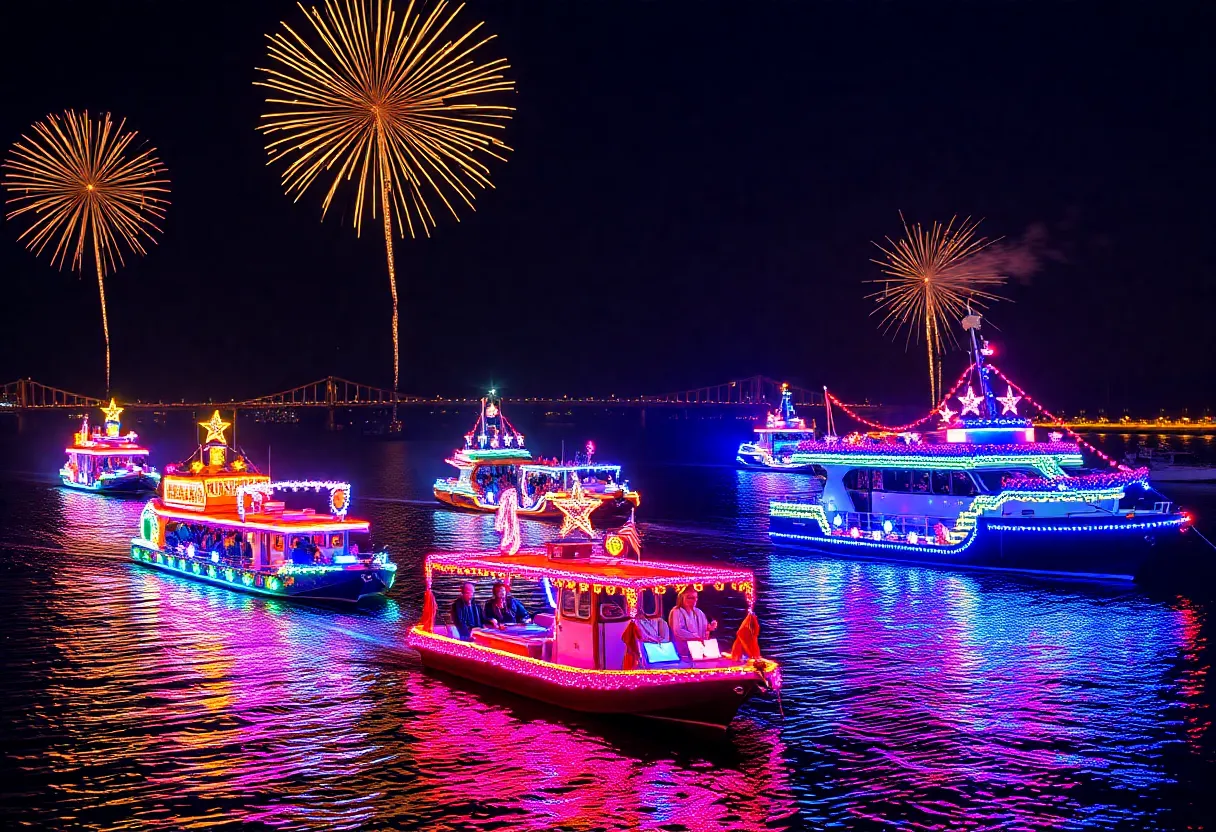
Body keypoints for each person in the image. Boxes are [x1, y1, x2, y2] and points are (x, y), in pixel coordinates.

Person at [667, 588, 718, 658]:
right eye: (691, 598)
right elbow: (678, 631)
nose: (695, 600)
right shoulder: (676, 611)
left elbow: (704, 629)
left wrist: (710, 627)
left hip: (698, 650)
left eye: (696, 597)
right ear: (682, 598)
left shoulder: (699, 612)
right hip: (683, 652)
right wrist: (696, 637)